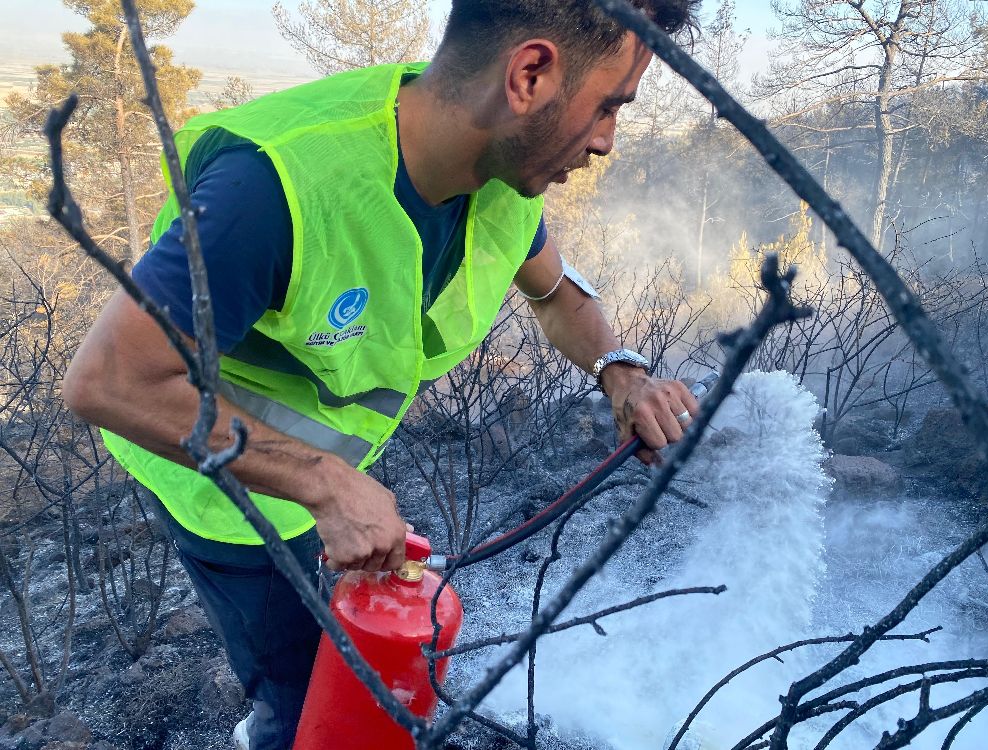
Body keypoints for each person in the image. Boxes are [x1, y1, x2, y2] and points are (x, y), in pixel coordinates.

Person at [63, 1, 701, 747]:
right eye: (607, 108)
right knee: (303, 693)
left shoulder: (495, 170)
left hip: (323, 476)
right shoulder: (273, 190)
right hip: (221, 492)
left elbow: (556, 291)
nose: (605, 142)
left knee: (353, 655)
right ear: (529, 74)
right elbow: (107, 382)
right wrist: (325, 484)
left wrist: (620, 369)